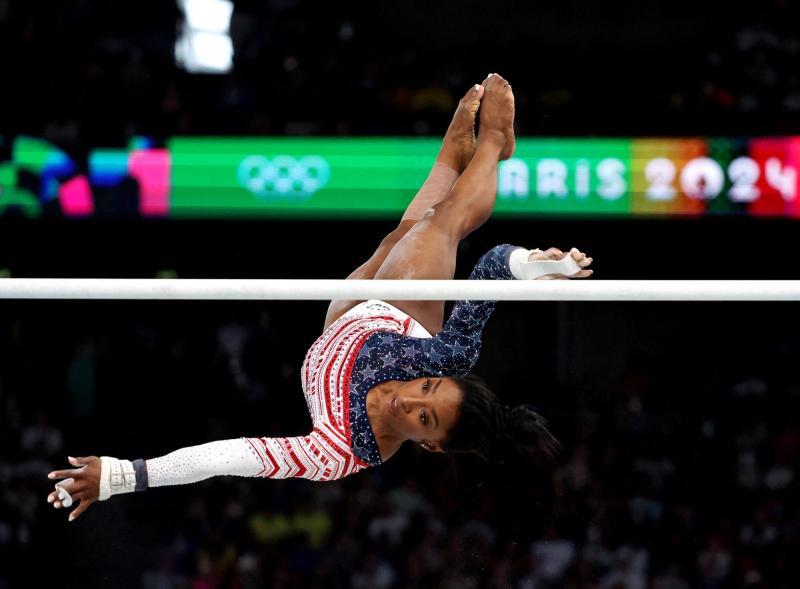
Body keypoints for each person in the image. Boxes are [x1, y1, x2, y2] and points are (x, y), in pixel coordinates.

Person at [46, 73, 593, 521]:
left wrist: (124, 476)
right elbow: (492, 268)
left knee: (403, 236)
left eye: (424, 419)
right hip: (401, 318)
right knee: (439, 225)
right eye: (428, 390)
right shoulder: (445, 357)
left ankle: (458, 154)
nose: (411, 400)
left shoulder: (339, 452)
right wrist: (535, 266)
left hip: (343, 321)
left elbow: (232, 457)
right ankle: (494, 146)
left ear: (429, 446)